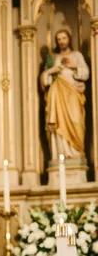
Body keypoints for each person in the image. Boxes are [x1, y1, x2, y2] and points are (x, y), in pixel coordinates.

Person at [40, 28, 90, 164]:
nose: (61, 41)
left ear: (69, 39)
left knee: (76, 121)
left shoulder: (77, 55)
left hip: (73, 93)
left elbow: (86, 74)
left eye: (64, 38)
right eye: (59, 39)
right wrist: (53, 70)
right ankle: (61, 154)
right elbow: (45, 79)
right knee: (58, 123)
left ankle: (76, 153)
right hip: (57, 94)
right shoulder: (54, 58)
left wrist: (74, 66)